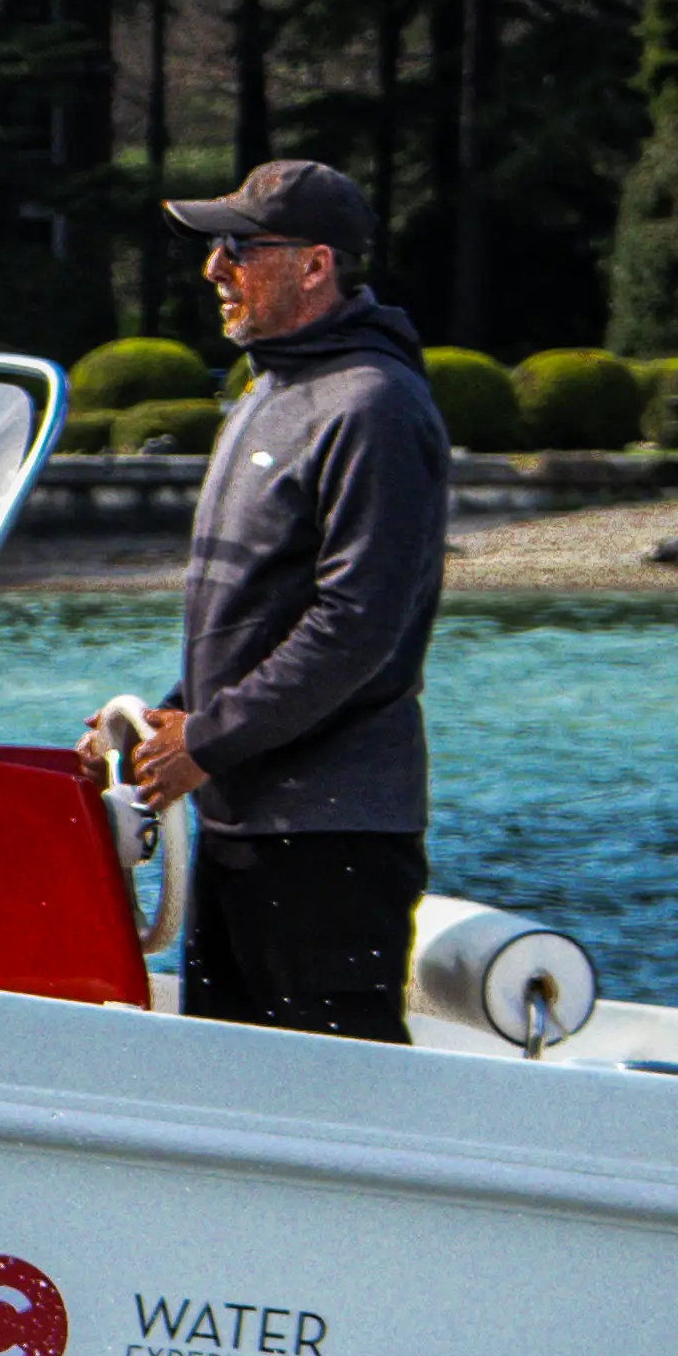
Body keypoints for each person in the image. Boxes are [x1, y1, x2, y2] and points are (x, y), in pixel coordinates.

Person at [90, 156, 451, 1041]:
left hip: (330, 842)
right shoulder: (267, 395)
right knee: (232, 1090)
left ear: (315, 265)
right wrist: (159, 725)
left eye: (240, 249)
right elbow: (256, 617)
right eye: (217, 248)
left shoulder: (373, 407)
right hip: (243, 827)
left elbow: (355, 627)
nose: (214, 267)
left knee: (338, 1100)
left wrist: (206, 740)